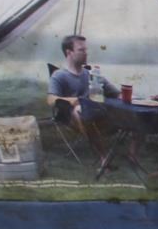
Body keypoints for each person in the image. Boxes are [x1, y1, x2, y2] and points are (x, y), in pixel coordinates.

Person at [48, 34, 119, 167]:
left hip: (96, 114)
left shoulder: (92, 74)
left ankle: (132, 154)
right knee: (79, 110)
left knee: (131, 110)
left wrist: (134, 98)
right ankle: (104, 158)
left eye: (86, 50)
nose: (86, 53)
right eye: (81, 50)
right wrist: (73, 100)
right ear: (69, 52)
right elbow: (51, 99)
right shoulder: (59, 75)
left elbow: (116, 93)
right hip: (72, 117)